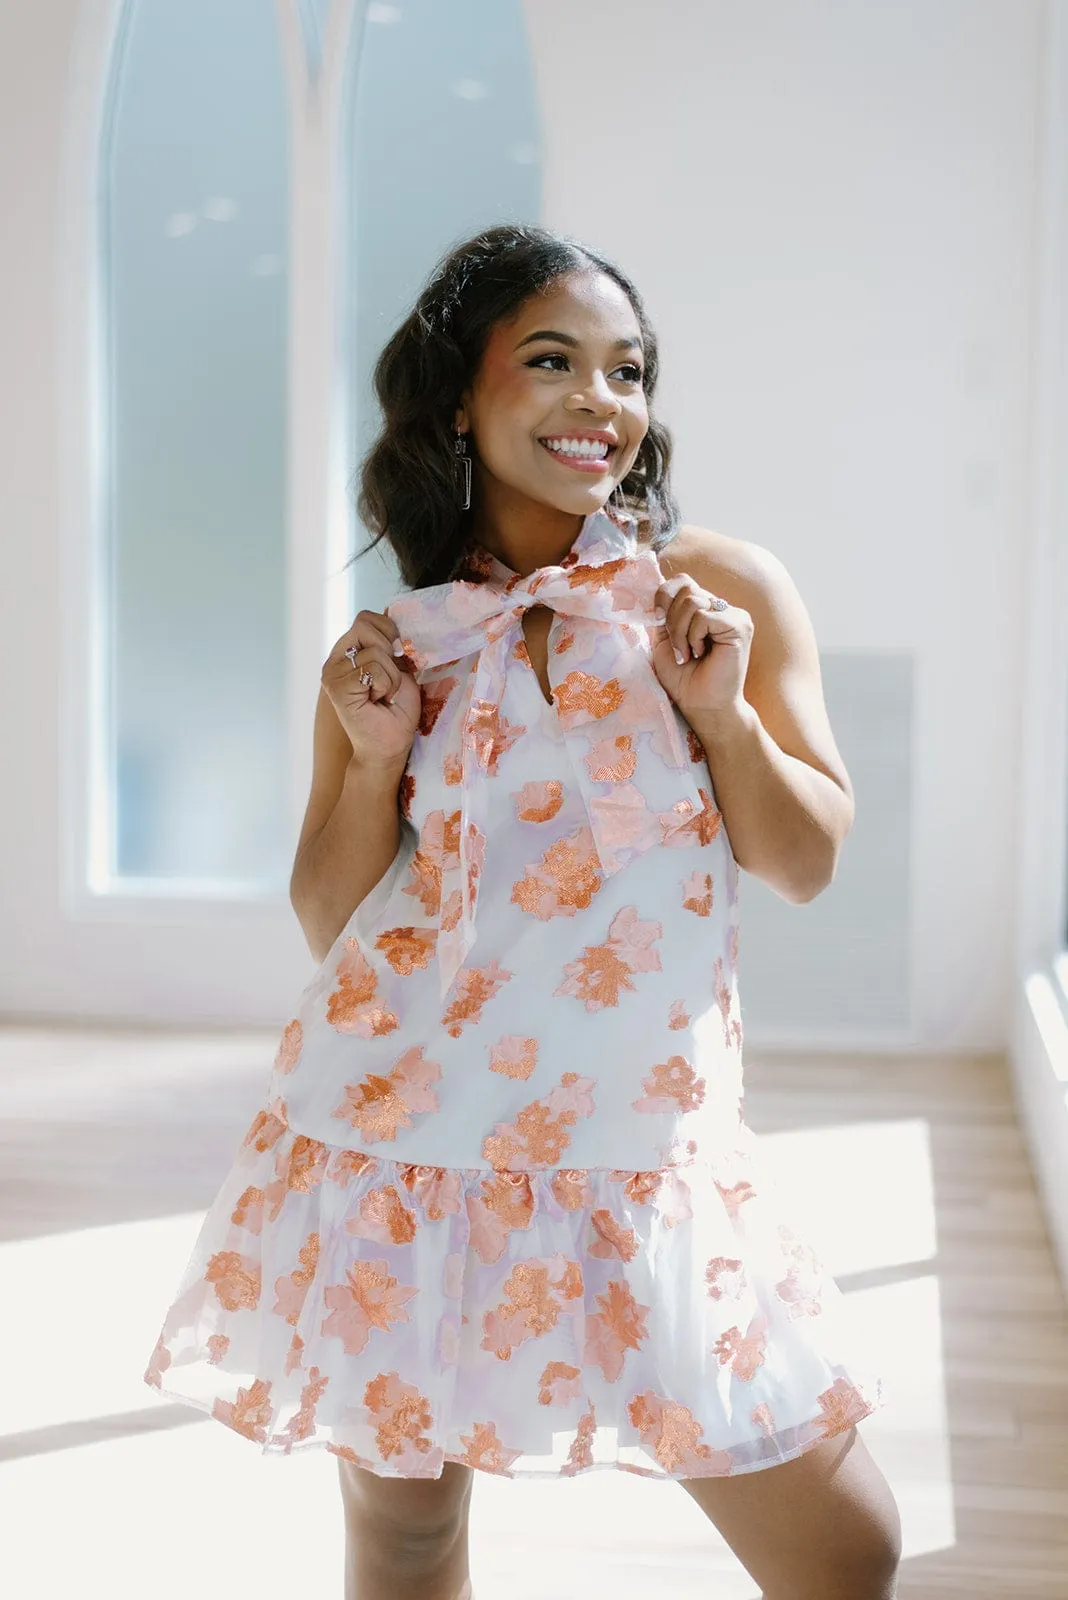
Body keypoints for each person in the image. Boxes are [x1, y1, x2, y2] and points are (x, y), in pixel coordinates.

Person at [143, 223, 902, 1599]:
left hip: (639, 1156)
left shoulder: (714, 596)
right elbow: (335, 921)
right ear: (457, 400)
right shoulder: (407, 640)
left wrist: (722, 721)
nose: (600, 399)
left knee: (848, 1551)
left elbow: (806, 862)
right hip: (402, 1150)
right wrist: (374, 755)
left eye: (628, 370)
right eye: (553, 361)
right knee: (411, 1536)